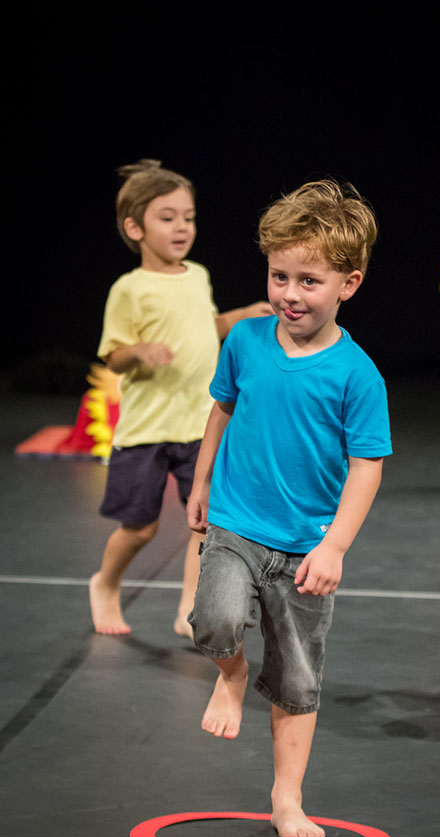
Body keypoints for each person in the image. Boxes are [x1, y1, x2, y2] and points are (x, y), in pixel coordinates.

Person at [186, 180, 392, 837]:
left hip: (305, 547)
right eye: (280, 276)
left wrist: (334, 546)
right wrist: (200, 481)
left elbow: (367, 467)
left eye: (309, 280)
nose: (290, 294)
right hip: (237, 522)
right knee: (213, 620)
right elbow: (221, 409)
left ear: (348, 284)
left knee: (298, 679)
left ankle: (287, 796)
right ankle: (231, 673)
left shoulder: (357, 375)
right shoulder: (246, 341)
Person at [89, 160, 271, 637]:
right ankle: (105, 583)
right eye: (167, 217)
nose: (181, 227)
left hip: (197, 425)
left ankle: (189, 606)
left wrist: (236, 317)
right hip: (147, 429)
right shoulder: (129, 289)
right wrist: (139, 352)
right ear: (135, 228)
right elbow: (113, 355)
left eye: (188, 217)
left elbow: (202, 327)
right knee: (140, 527)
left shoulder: (198, 275)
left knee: (202, 522)